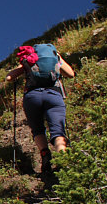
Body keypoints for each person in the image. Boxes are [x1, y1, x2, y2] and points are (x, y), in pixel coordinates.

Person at [6, 44, 75, 174]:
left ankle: (45, 154)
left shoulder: (30, 58)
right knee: (58, 131)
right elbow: (71, 74)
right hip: (53, 95)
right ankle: (63, 160)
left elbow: (9, 77)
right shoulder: (55, 57)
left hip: (32, 97)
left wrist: (24, 68)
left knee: (37, 129)